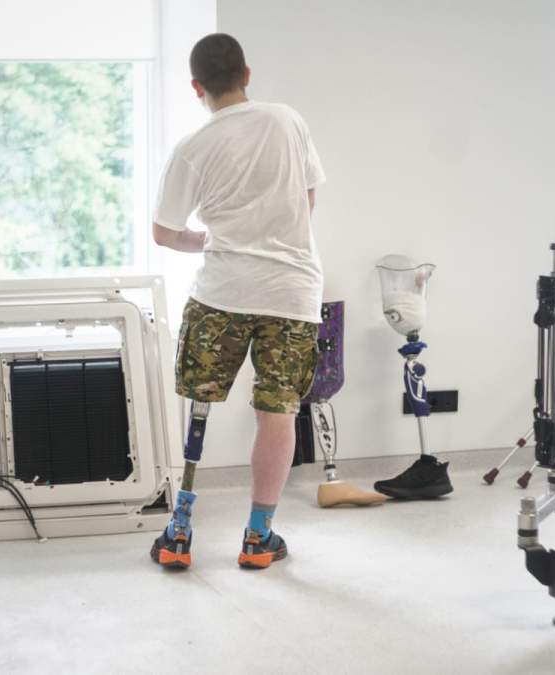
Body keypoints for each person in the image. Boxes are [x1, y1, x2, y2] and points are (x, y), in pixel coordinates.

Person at [149, 33, 325, 570]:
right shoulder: (287, 121)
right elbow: (308, 200)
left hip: (222, 292)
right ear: (246, 75)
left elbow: (164, 232)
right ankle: (258, 537)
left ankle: (180, 533)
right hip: (291, 292)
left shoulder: (193, 148)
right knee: (278, 412)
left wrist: (207, 241)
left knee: (200, 403)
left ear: (196, 87)